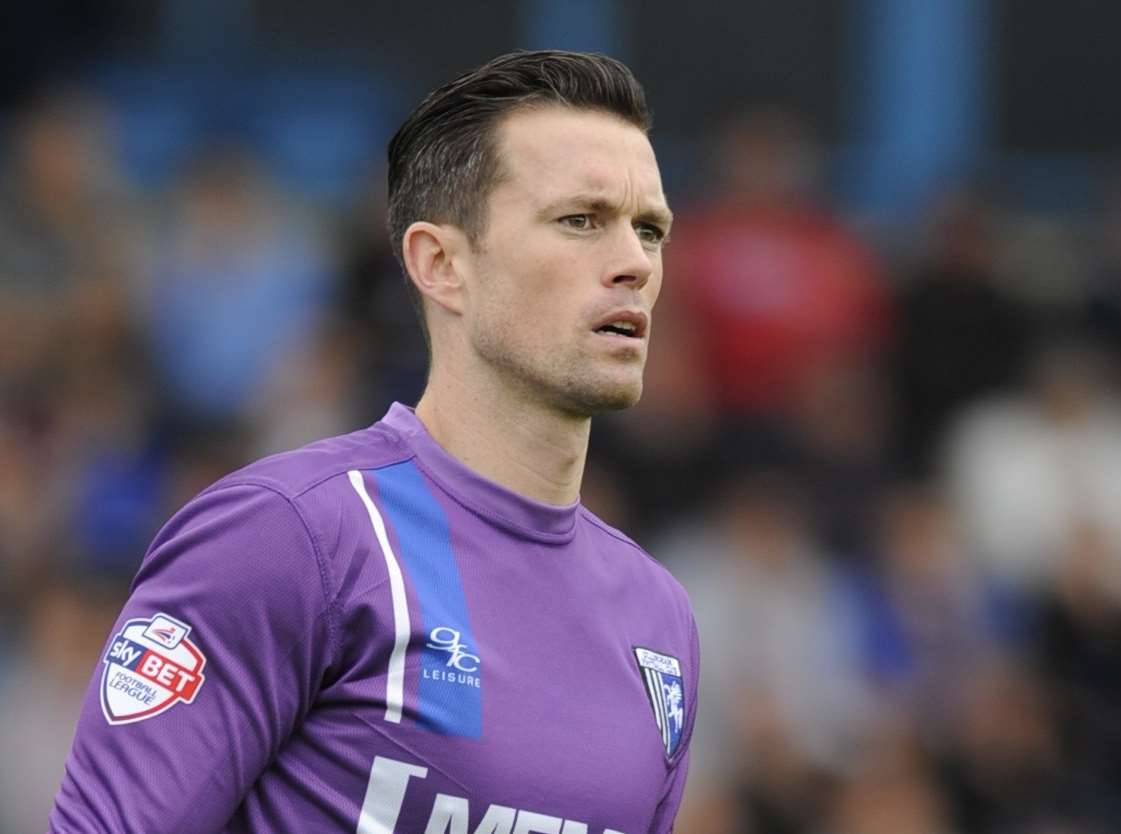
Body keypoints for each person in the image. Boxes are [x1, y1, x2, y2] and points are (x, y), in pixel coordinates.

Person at [50, 49, 699, 833]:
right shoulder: (289, 537)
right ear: (441, 265)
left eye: (650, 230)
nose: (633, 262)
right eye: (580, 221)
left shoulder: (660, 625)